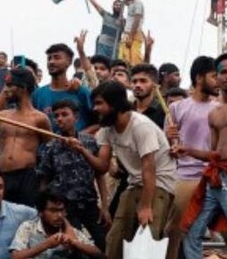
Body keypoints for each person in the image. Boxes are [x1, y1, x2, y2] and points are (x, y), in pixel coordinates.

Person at [72, 80, 178, 259]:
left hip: (159, 184)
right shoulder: (107, 129)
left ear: (114, 104)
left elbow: (149, 169)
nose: (95, 109)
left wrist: (145, 207)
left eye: (99, 103)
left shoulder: (141, 126)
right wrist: (82, 150)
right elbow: (103, 166)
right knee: (114, 241)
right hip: (134, 184)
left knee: (147, 243)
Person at [180, 54, 227, 259]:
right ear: (217, 76)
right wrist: (187, 150)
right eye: (223, 72)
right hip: (215, 176)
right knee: (192, 231)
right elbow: (214, 154)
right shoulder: (214, 113)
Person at [165, 56, 219, 259]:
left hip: (215, 176)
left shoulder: (220, 110)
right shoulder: (176, 108)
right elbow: (169, 150)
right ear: (199, 78)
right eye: (214, 76)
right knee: (175, 230)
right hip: (185, 177)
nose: (219, 81)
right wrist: (169, 140)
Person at [37, 100, 109, 250]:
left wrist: (105, 206)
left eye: (64, 114)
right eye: (56, 116)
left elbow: (99, 174)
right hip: (65, 209)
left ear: (76, 117)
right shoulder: (51, 146)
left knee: (101, 244)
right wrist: (43, 208)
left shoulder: (89, 142)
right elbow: (44, 180)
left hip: (89, 203)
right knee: (73, 247)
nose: (60, 119)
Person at [0, 67, 52, 207]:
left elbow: (50, 152)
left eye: (10, 86)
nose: (6, 90)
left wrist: (44, 182)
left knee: (25, 220)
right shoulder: (2, 116)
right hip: (2, 175)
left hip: (27, 177)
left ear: (22, 88)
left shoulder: (40, 119)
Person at [9, 190, 102, 259]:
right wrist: (46, 245)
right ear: (41, 212)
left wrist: (74, 242)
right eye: (53, 211)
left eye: (62, 210)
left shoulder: (70, 231)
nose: (60, 215)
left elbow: (100, 255)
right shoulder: (28, 228)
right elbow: (15, 257)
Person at [32, 44, 94, 133]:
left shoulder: (80, 91)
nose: (51, 62)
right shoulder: (38, 94)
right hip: (47, 146)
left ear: (69, 62)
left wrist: (78, 137)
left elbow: (99, 123)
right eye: (49, 58)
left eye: (57, 58)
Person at [131, 64, 165, 128]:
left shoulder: (163, 113)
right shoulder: (126, 110)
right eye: (134, 81)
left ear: (154, 85)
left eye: (143, 81)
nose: (137, 85)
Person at [120, 0, 145, 65]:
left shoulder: (138, 3)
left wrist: (131, 36)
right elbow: (124, 1)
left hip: (133, 35)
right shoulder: (131, 3)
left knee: (134, 60)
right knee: (123, 59)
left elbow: (136, 20)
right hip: (127, 34)